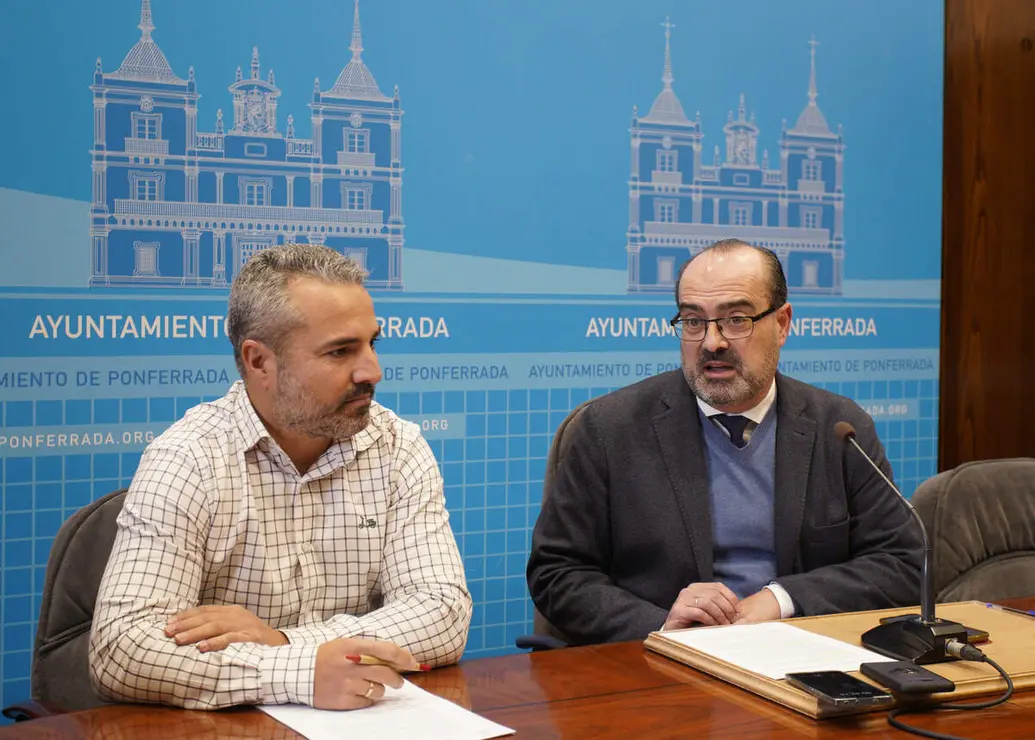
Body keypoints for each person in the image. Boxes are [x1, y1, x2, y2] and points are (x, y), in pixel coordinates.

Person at [90, 243, 471, 710]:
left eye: (373, 342)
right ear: (258, 362)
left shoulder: (396, 447)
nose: (373, 370)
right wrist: (300, 674)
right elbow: (120, 649)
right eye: (339, 351)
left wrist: (286, 643)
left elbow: (443, 612)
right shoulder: (188, 457)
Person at [527, 239, 922, 645]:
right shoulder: (610, 429)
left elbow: (901, 563)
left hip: (803, 655)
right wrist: (662, 626)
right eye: (694, 321)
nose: (712, 342)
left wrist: (781, 599)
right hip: (662, 669)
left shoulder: (839, 428)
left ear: (783, 323)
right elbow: (556, 572)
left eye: (736, 320)